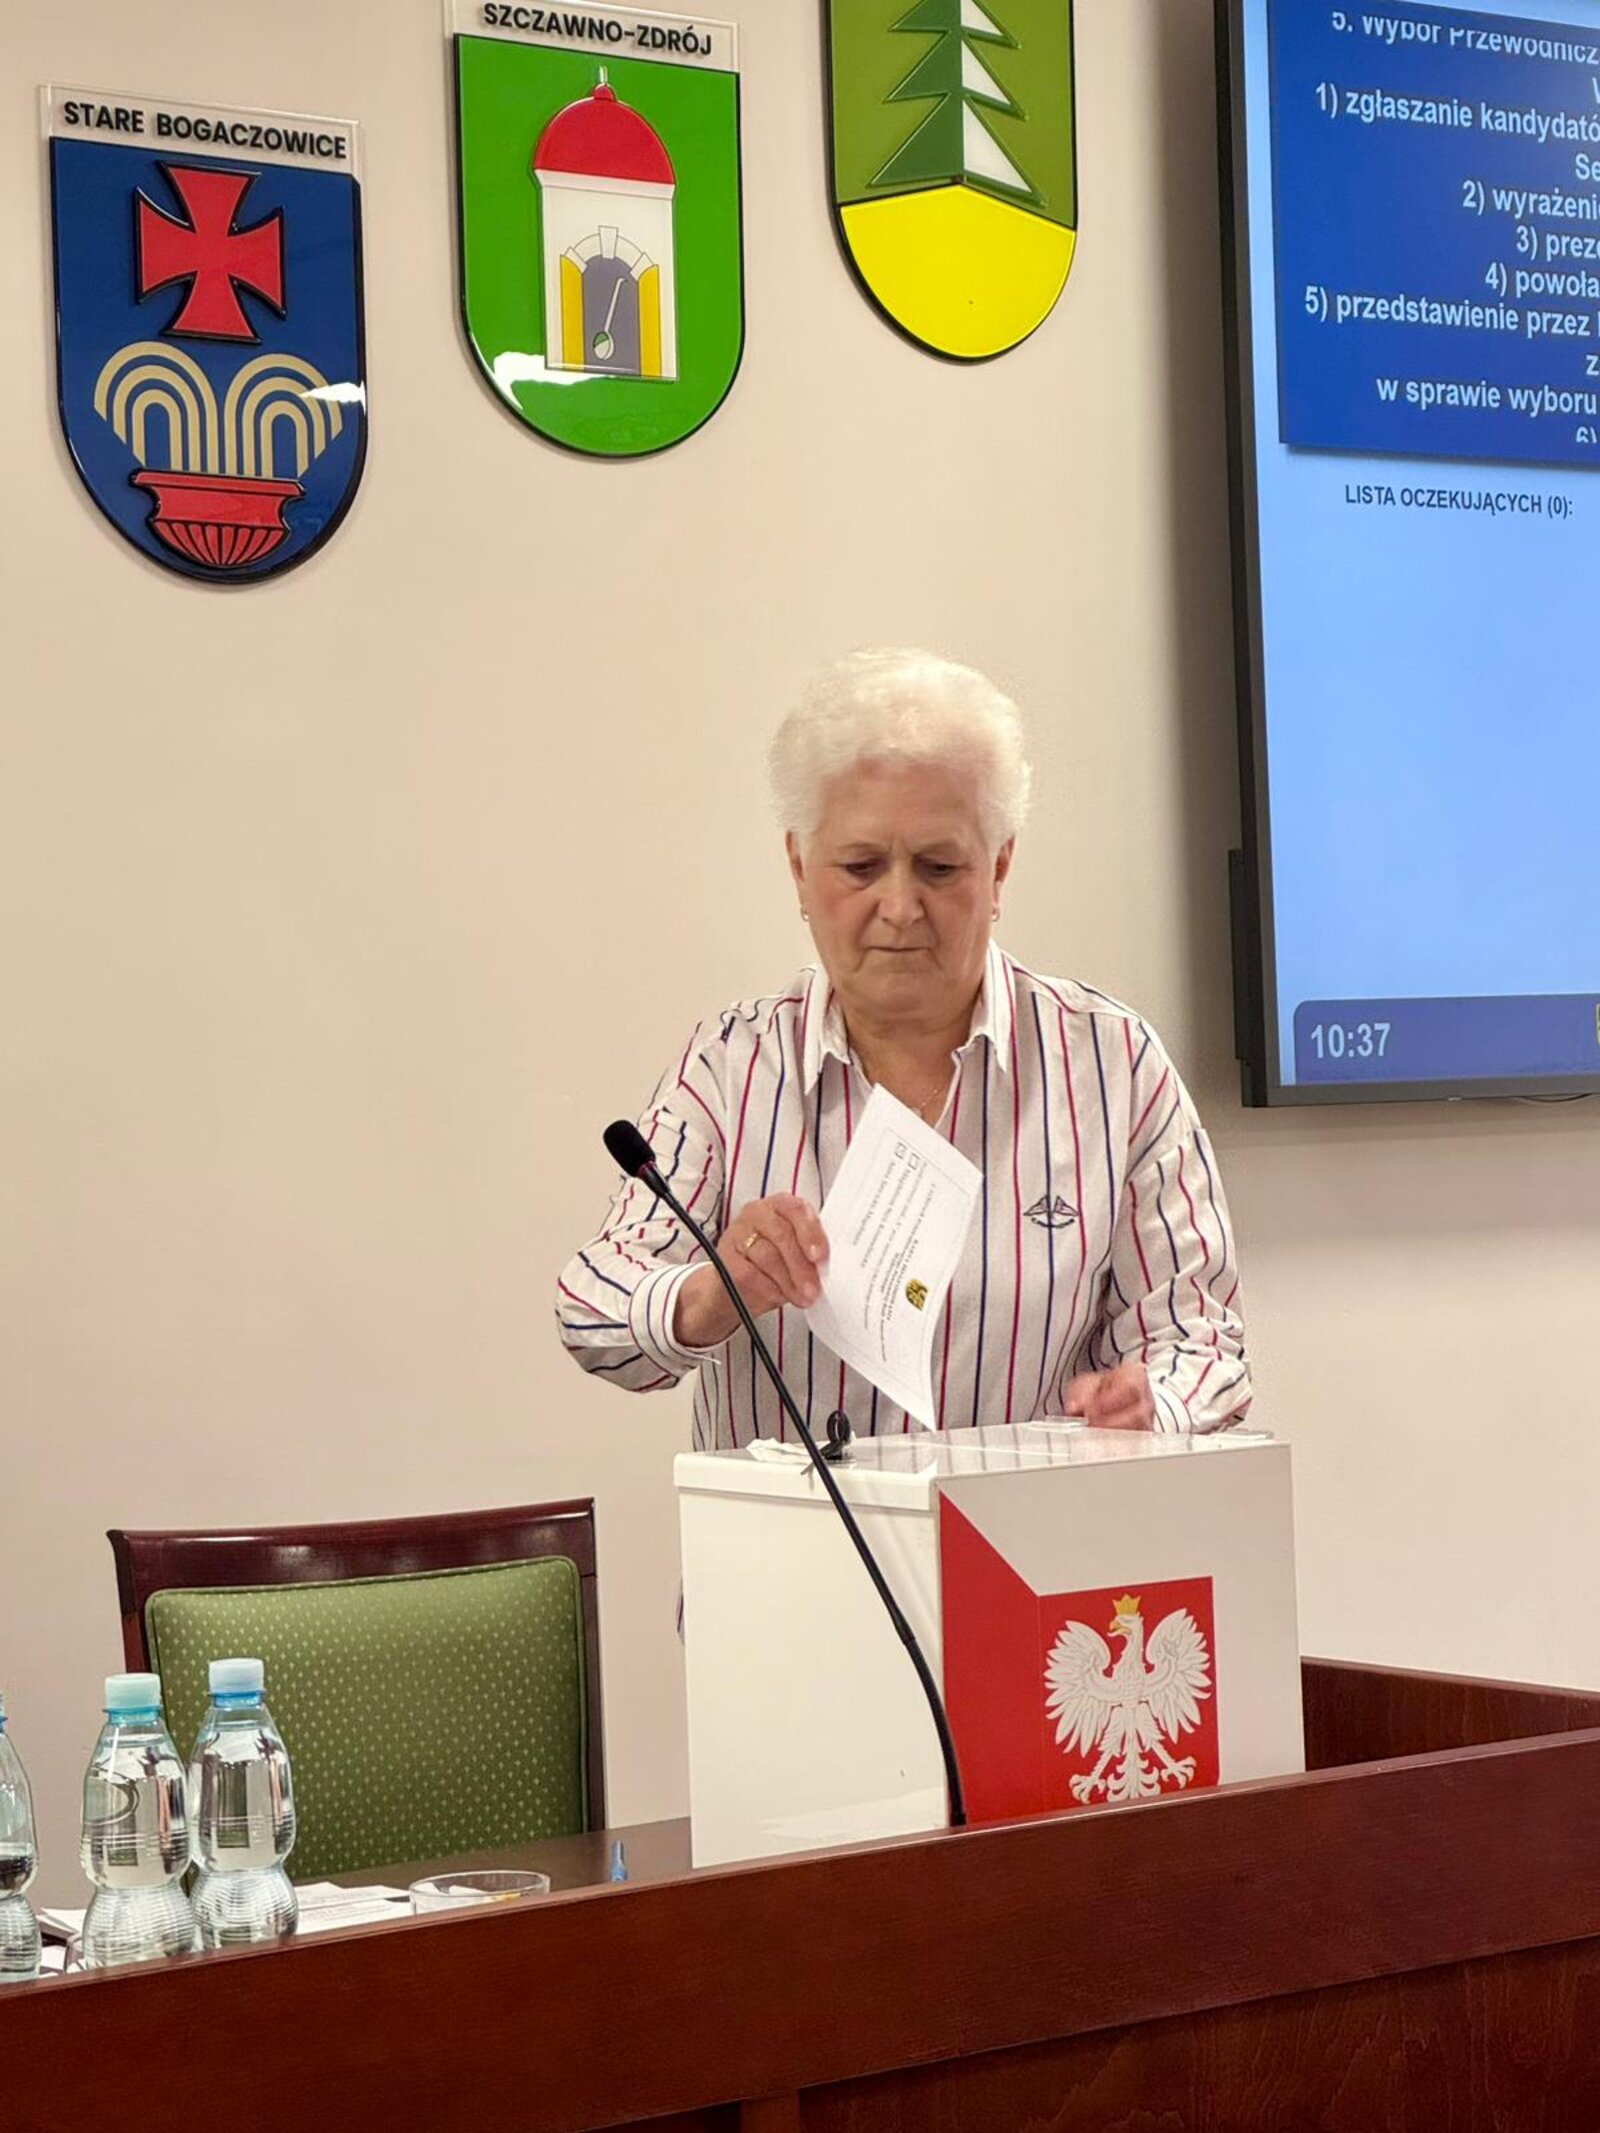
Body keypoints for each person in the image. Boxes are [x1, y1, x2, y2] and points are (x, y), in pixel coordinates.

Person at [557, 649, 1249, 1448]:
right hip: (788, 1529)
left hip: (1027, 1525)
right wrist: (710, 1295)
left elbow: (1202, 1341)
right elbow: (590, 1310)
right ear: (798, 868)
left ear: (999, 866)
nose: (899, 906)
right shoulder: (731, 1065)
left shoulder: (1113, 1064)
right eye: (860, 867)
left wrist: (1152, 1405)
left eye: (939, 867)